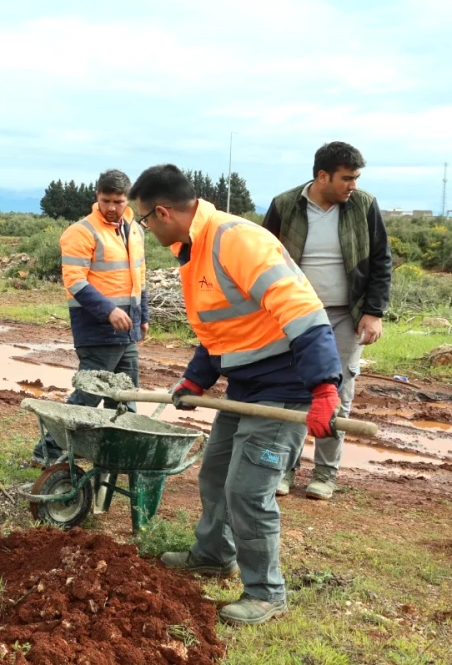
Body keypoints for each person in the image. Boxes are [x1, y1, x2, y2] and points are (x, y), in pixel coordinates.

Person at [129, 164, 342, 626]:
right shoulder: (195, 250)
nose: (145, 228)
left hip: (285, 388)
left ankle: (267, 593)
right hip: (245, 386)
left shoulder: (236, 240)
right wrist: (195, 380)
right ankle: (212, 554)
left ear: (162, 212)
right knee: (216, 474)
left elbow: (303, 312)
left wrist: (325, 387)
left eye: (144, 220)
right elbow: (218, 329)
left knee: (248, 492)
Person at [263, 142, 391, 500]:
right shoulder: (284, 205)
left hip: (345, 315)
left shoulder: (363, 205)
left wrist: (374, 311)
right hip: (294, 314)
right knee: (290, 390)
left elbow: (380, 261)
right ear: (323, 176)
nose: (353, 185)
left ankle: (325, 474)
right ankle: (283, 470)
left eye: (356, 178)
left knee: (337, 392)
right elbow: (261, 259)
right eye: (347, 178)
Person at [33, 169, 149, 465]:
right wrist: (109, 310)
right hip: (96, 330)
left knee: (124, 396)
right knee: (88, 395)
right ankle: (48, 450)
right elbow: (74, 281)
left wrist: (142, 315)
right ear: (96, 196)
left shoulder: (135, 230)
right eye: (106, 200)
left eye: (119, 201)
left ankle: (115, 455)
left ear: (127, 200)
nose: (112, 207)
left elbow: (140, 276)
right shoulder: (81, 232)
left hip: (127, 329)